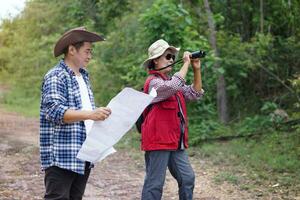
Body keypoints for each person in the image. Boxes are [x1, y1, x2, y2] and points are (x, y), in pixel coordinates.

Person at [40, 27, 111, 200]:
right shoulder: (56, 76)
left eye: (91, 52)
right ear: (72, 50)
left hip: (83, 154)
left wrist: (97, 115)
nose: (90, 56)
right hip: (62, 155)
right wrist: (90, 114)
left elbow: (84, 112)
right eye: (87, 51)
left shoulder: (84, 77)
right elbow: (54, 111)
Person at [141, 39, 204, 200]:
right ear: (155, 61)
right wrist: (185, 64)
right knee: (154, 185)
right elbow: (173, 87)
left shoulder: (171, 81)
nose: (171, 59)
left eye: (172, 56)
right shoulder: (153, 83)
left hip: (176, 141)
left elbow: (194, 93)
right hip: (158, 141)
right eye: (168, 56)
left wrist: (196, 69)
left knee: (187, 178)